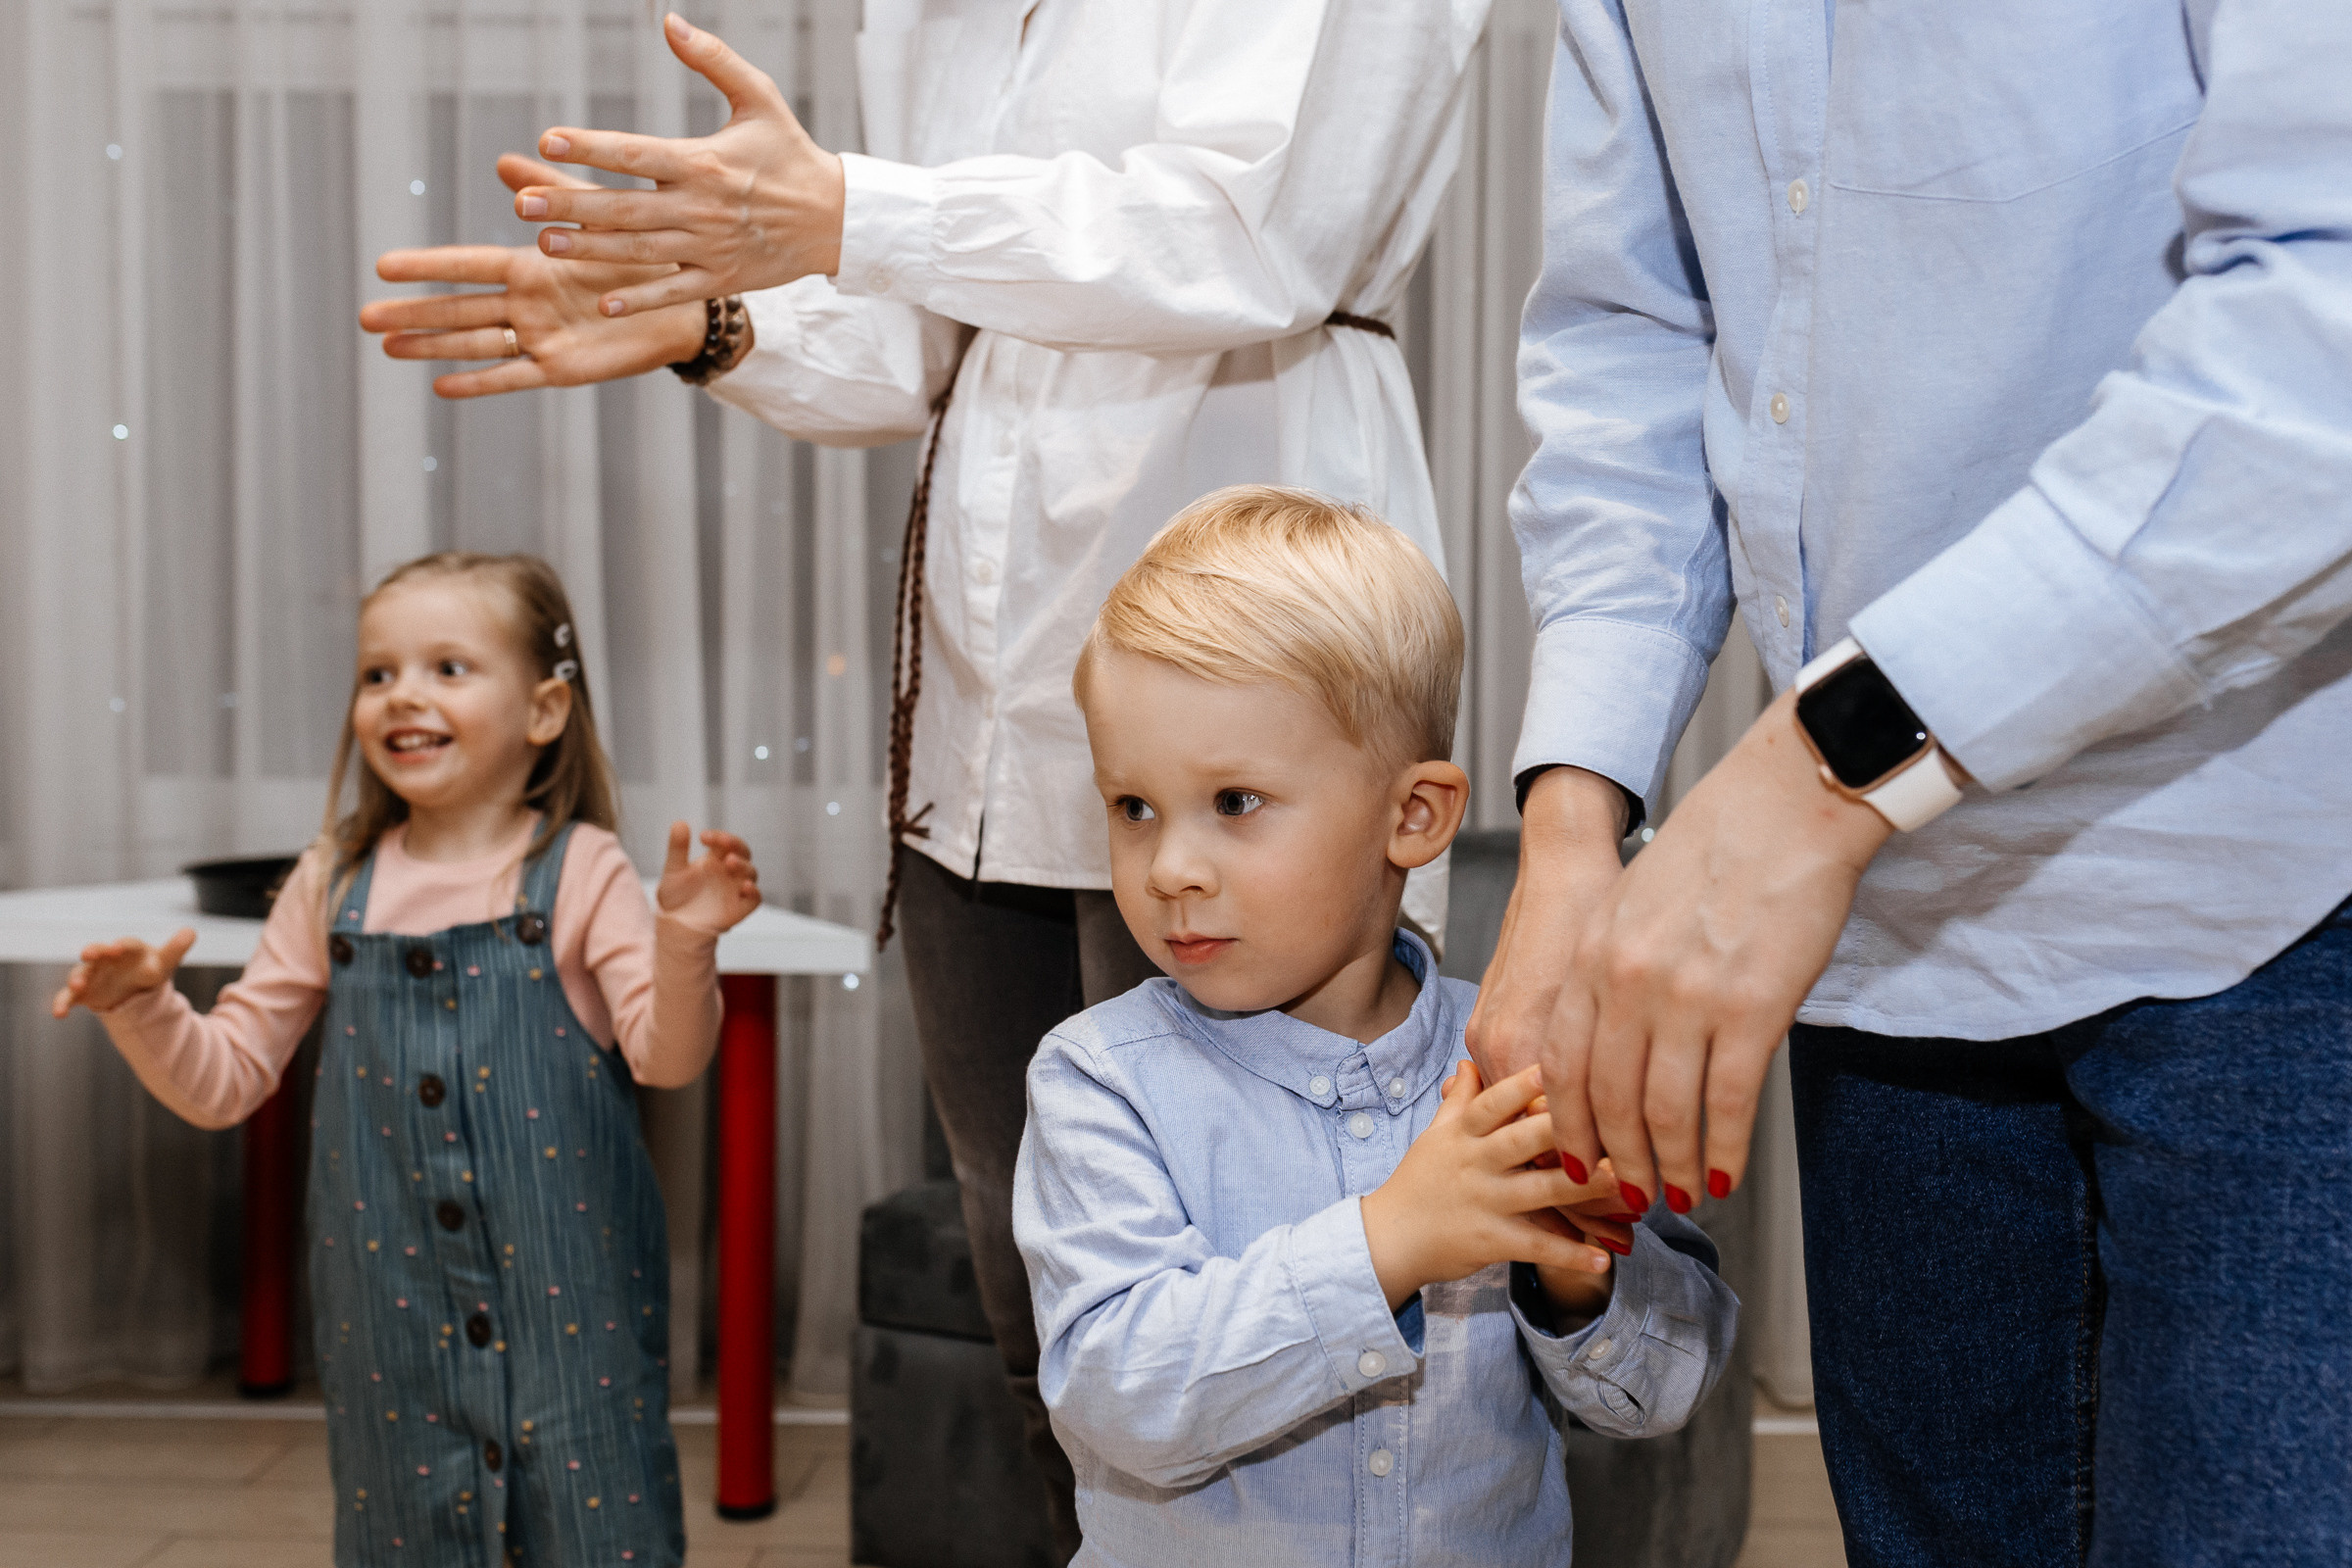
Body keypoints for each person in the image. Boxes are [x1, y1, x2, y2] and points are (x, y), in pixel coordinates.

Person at [356, 8, 1493, 1551]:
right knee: (1047, 1309)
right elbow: (923, 325)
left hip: (1250, 704)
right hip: (989, 719)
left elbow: (1260, 228)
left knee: (1280, 1276)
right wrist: (709, 320)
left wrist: (846, 211)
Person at [1472, 5, 2352, 1563]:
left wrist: (1817, 778)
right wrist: (1572, 824)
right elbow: (1635, 340)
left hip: (2266, 900)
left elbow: (2322, 320)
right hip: (1886, 943)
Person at [1014, 486, 1737, 1563]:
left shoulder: (1515, 1062)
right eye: (1134, 808)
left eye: (1236, 802)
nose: (1169, 867)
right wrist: (1388, 1238)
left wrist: (1580, 1278)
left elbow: (1663, 1392)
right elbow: (1119, 1396)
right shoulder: (1098, 1081)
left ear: (1414, 817)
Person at [53, 552, 763, 1568]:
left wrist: (686, 943)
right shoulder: (329, 879)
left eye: (448, 667)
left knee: (597, 1528)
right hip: (392, 1326)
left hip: (575, 1321)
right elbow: (226, 1080)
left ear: (546, 708)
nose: (404, 696)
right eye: (379, 673)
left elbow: (667, 1056)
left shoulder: (583, 868)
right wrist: (143, 1010)